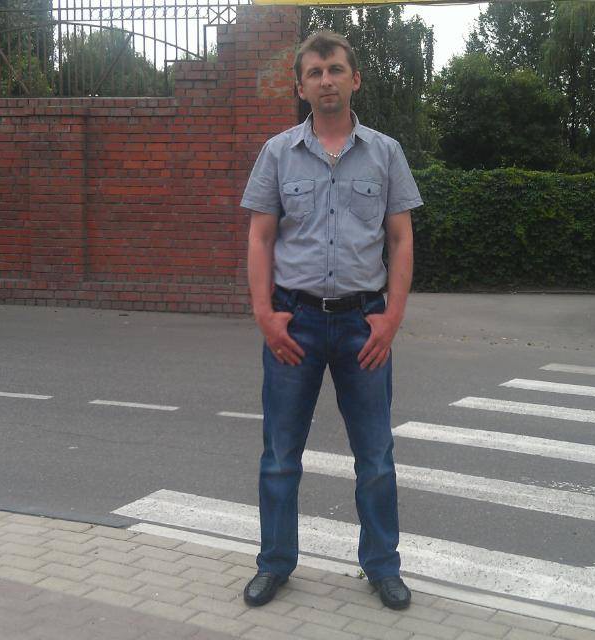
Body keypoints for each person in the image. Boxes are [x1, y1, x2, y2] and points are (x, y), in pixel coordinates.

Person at [240, 30, 423, 610]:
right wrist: (265, 314)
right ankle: (274, 564)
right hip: (293, 323)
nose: (326, 81)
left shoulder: (385, 153)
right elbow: (260, 237)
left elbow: (401, 238)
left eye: (336, 69)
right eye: (315, 73)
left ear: (355, 79)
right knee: (279, 456)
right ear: (300, 86)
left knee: (376, 458)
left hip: (362, 324)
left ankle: (382, 566)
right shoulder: (277, 153)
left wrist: (392, 318)